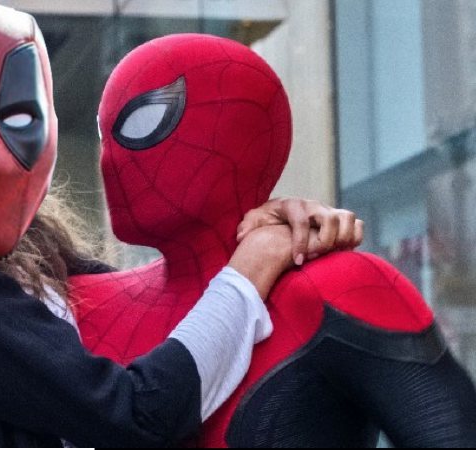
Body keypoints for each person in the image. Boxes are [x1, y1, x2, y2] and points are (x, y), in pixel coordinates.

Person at [0, 2, 363, 447]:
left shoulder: (10, 247)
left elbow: (159, 310)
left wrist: (264, 228)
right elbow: (133, 413)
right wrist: (252, 265)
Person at [72, 33, 476, 447]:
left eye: (144, 122)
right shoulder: (71, 303)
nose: (111, 159)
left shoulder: (335, 288)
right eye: (103, 135)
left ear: (238, 131)